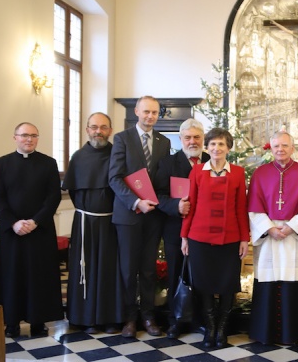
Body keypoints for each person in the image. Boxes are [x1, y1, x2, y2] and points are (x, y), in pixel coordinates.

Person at [248, 131, 298, 345]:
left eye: (284, 145)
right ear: (270, 148)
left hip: (293, 238)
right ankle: (265, 333)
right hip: (269, 238)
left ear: (292, 148)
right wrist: (270, 228)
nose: (280, 149)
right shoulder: (260, 174)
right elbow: (253, 210)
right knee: (268, 279)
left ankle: (295, 333)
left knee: (294, 281)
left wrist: (291, 228)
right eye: (276, 146)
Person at [0, 122, 63, 338]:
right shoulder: (1, 164)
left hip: (39, 231)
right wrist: (13, 223)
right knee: (11, 277)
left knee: (38, 276)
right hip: (11, 233)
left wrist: (35, 221)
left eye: (33, 135)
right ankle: (10, 322)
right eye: (24, 135)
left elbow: (53, 197)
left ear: (37, 138)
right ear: (15, 137)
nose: (28, 139)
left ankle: (38, 321)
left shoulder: (49, 163)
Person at [180, 128, 249, 349]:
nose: (216, 148)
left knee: (228, 285)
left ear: (228, 148)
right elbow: (190, 206)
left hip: (229, 239)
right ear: (206, 148)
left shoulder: (238, 172)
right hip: (199, 237)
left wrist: (244, 238)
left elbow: (241, 208)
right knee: (205, 284)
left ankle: (222, 329)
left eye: (221, 144)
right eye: (212, 144)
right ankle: (210, 328)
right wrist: (184, 236)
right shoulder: (198, 171)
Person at [108, 95, 171, 338]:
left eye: (154, 112)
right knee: (127, 269)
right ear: (136, 111)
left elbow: (162, 178)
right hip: (128, 215)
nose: (150, 116)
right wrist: (136, 201)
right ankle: (129, 319)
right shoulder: (122, 139)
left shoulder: (163, 142)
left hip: (154, 216)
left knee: (148, 269)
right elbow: (114, 177)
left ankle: (148, 316)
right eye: (146, 111)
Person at [62, 112, 124, 334]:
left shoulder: (118, 154)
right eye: (94, 127)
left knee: (109, 270)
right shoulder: (78, 156)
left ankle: (110, 318)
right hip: (84, 222)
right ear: (87, 129)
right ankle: (84, 317)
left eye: (103, 127)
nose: (98, 131)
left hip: (110, 223)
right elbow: (72, 188)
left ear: (110, 130)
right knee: (83, 268)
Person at [154, 118, 210, 339]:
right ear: (181, 139)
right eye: (188, 137)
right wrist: (175, 206)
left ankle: (200, 320)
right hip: (175, 229)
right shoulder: (168, 163)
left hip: (205, 230)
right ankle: (175, 320)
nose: (192, 141)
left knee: (202, 275)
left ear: (203, 139)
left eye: (197, 137)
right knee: (176, 274)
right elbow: (157, 195)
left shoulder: (210, 160)